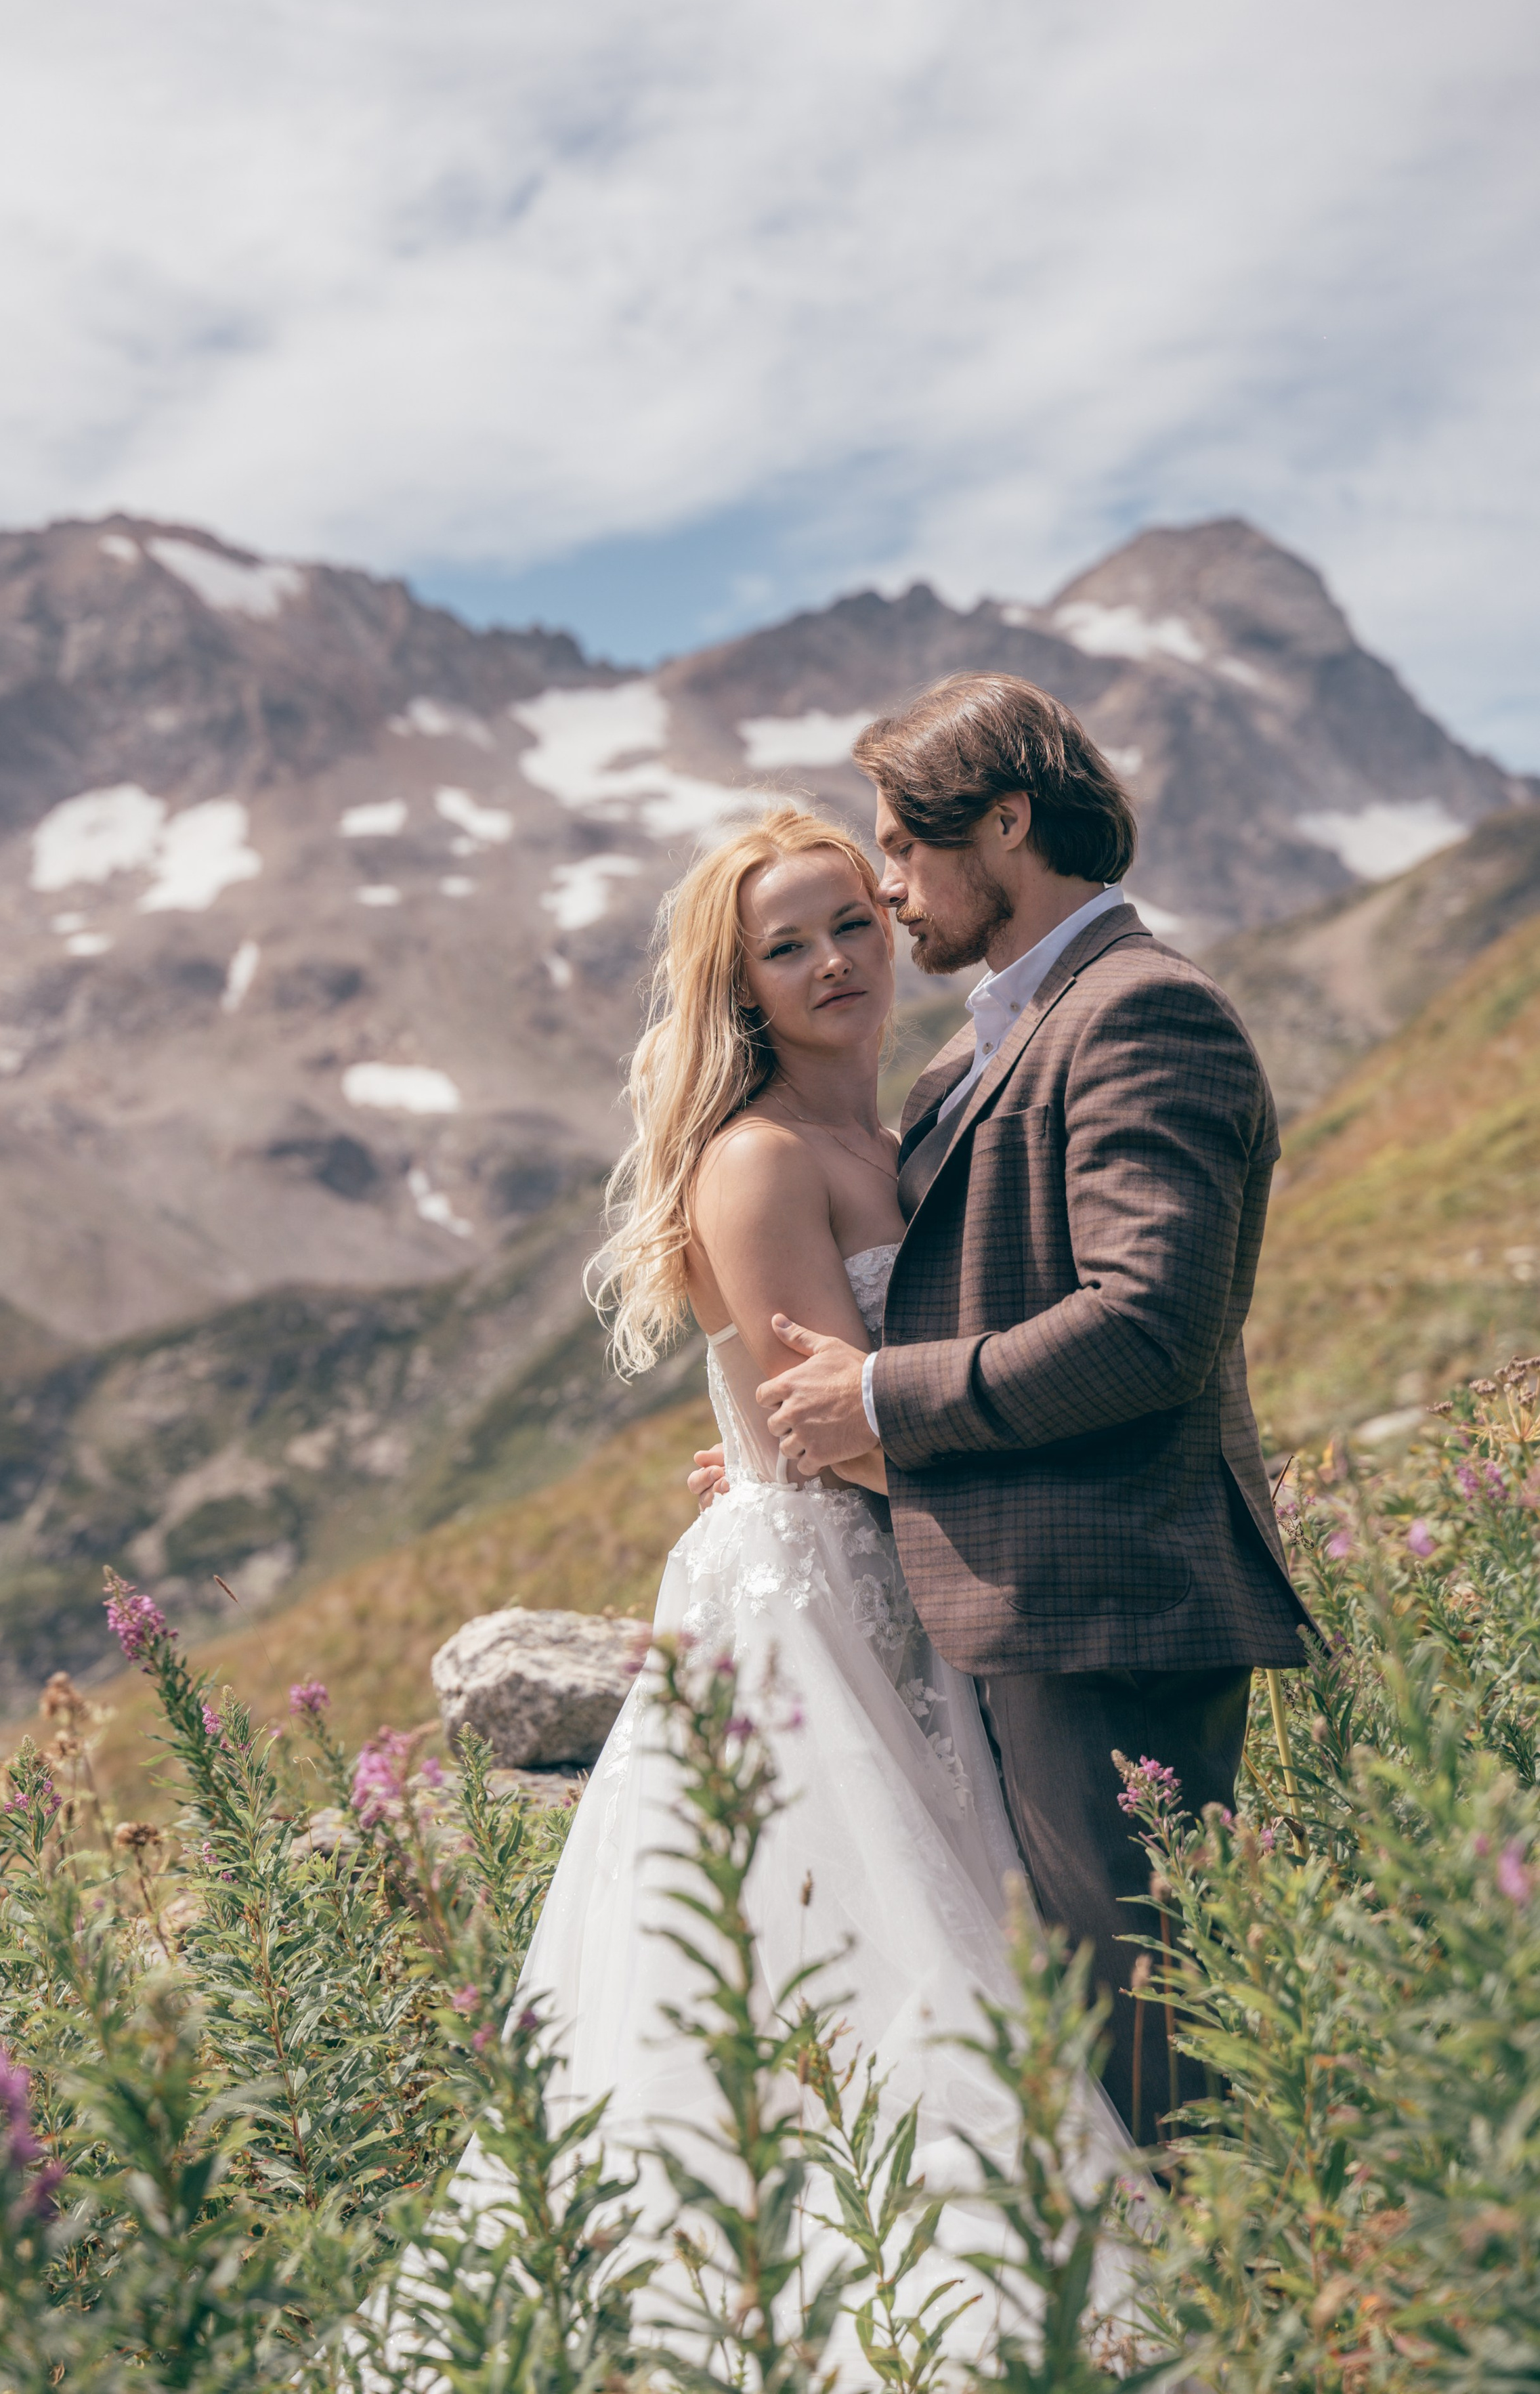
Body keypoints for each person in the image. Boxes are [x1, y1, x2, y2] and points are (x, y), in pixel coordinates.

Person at [444, 800, 1125, 2368]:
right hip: (816, 1604)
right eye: (785, 944)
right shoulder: (755, 1164)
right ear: (738, 989)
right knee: (845, 1947)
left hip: (918, 1580)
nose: (832, 961)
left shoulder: (904, 1131)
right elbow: (832, 1440)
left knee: (954, 1930)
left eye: (850, 923)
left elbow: (870, 1394)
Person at [692, 675, 1314, 2139]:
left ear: (1008, 826)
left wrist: (878, 1403)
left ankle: (1231, 2325)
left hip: (1110, 1594)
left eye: (898, 861)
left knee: (1155, 2056)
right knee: (1097, 2035)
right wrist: (780, 1449)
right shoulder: (972, 1051)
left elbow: (1146, 1325)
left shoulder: (1143, 1011)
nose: (888, 900)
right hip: (1019, 1600)